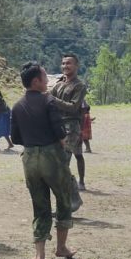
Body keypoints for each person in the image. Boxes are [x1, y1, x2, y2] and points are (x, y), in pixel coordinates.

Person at [11, 62, 76, 259]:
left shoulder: (17, 106)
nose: (48, 81)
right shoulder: (48, 101)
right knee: (64, 200)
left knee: (39, 205)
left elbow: (16, 138)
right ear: (36, 81)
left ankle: (39, 255)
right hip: (51, 156)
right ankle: (61, 247)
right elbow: (60, 133)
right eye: (45, 77)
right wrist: (62, 146)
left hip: (29, 157)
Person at [49, 53, 87, 202]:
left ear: (77, 66)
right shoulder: (58, 85)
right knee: (59, 163)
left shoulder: (79, 86)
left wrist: (53, 99)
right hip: (58, 125)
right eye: (63, 63)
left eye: (69, 63)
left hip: (71, 126)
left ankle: (71, 199)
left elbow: (73, 107)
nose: (65, 66)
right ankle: (69, 199)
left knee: (63, 163)